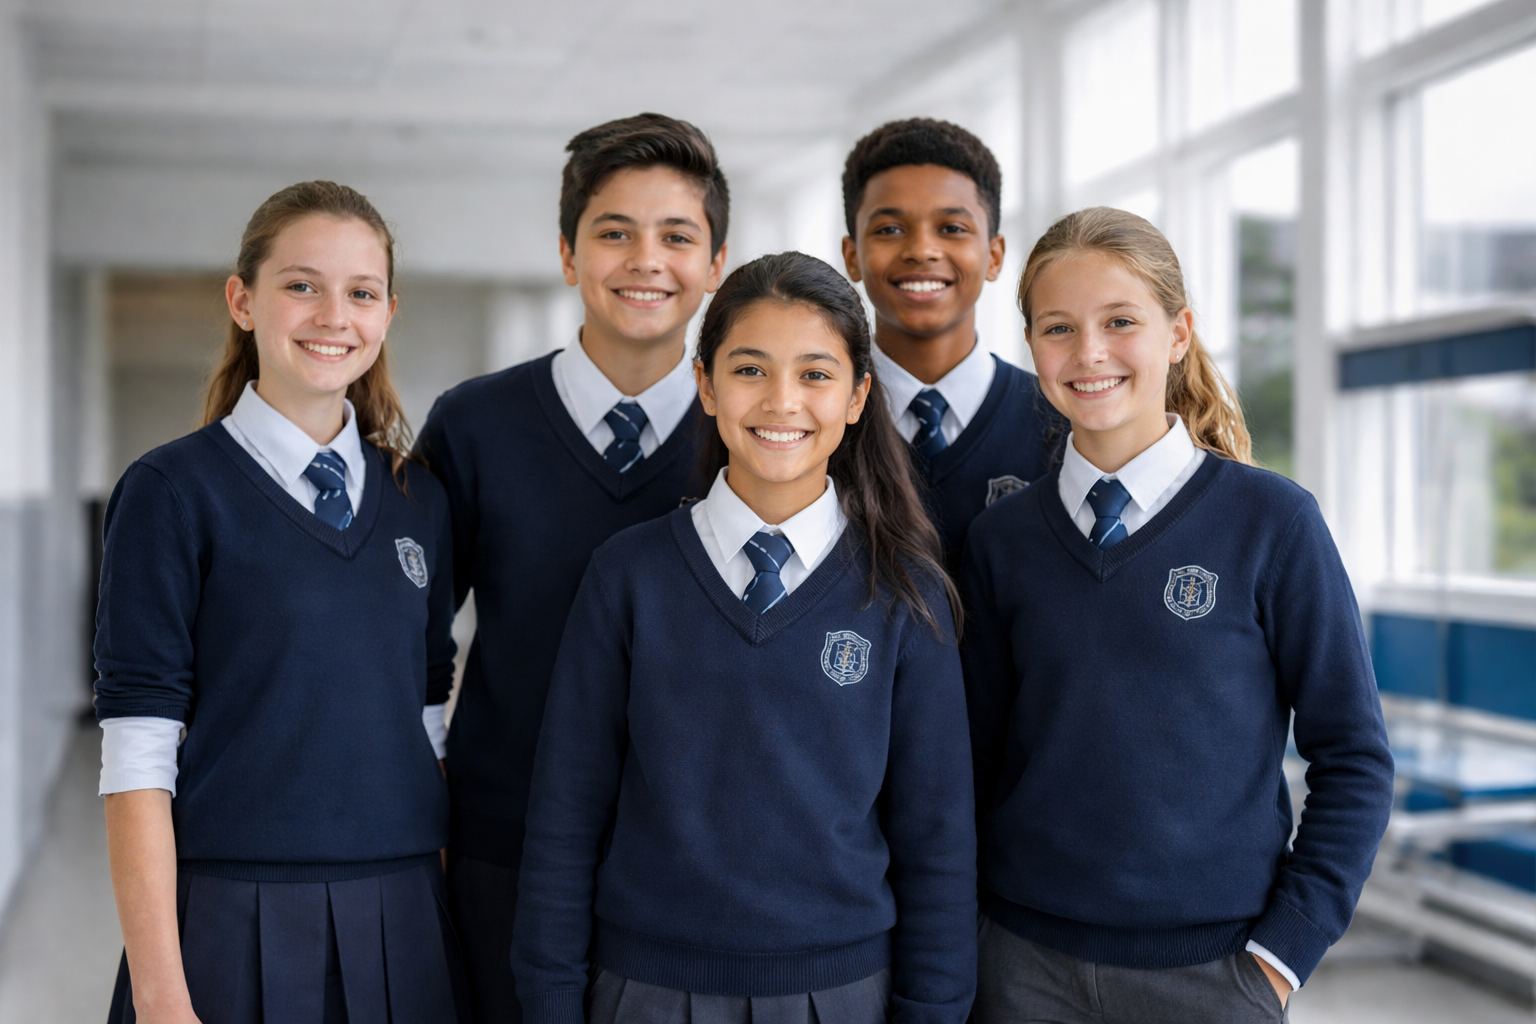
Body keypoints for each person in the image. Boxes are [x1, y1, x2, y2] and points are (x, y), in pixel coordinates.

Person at [512, 251, 976, 1024]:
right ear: (706, 383)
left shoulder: (904, 593)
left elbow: (937, 840)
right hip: (646, 990)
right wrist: (554, 999)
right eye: (751, 370)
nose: (782, 401)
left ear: (860, 395)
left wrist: (931, 1010)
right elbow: (566, 812)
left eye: (817, 375)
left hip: (842, 995)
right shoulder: (628, 576)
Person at [961, 207, 1395, 1024]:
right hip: (1022, 970)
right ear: (1032, 346)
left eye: (1120, 321)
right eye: (1058, 327)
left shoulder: (1272, 522)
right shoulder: (1001, 541)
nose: (1088, 352)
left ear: (1179, 333)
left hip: (1214, 976)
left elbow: (1354, 756)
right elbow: (974, 760)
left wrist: (1280, 957)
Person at [95, 180, 464, 1024]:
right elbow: (137, 755)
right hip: (231, 917)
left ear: (387, 313)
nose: (334, 315)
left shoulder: (421, 501)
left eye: (361, 292)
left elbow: (425, 714)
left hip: (404, 918)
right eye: (302, 284)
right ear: (243, 301)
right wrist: (160, 995)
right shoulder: (172, 491)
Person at [415, 112, 729, 1021]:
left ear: (715, 266)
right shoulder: (476, 425)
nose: (646, 261)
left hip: (687, 863)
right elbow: (412, 632)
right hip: (500, 847)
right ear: (567, 254)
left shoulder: (755, 434)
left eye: (677, 236)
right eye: (614, 233)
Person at [840, 118, 1060, 572]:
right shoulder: (815, 420)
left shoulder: (1062, 420)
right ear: (851, 256)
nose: (922, 250)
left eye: (952, 228)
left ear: (994, 255)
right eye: (888, 230)